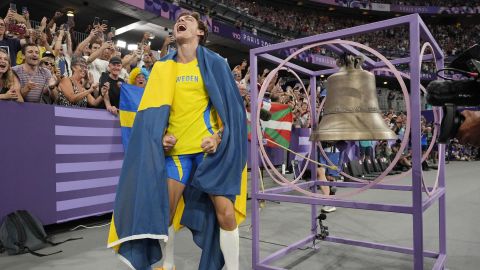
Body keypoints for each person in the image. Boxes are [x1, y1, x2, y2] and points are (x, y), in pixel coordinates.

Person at [108, 12, 247, 270]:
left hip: (209, 154)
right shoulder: (162, 68)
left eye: (188, 19)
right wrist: (160, 136)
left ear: (200, 32)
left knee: (226, 214)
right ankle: (168, 264)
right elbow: (151, 113)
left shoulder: (214, 63)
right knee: (164, 214)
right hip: (178, 154)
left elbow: (232, 111)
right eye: (178, 19)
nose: (180, 21)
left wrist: (218, 138)